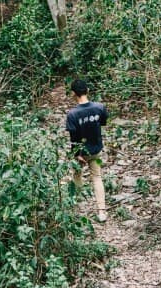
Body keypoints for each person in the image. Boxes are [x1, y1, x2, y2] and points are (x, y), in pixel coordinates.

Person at [65, 78, 108, 222]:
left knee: (77, 177)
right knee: (97, 178)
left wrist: (77, 155)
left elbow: (73, 137)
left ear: (73, 93)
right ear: (87, 90)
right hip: (96, 150)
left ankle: (77, 210)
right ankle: (101, 211)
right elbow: (102, 122)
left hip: (81, 153)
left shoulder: (72, 114)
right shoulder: (100, 107)